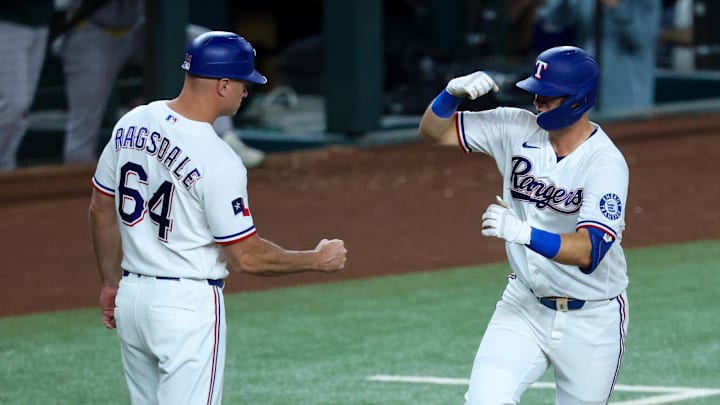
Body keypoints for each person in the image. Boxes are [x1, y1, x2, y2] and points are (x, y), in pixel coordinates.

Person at [88, 31, 347, 404]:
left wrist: (111, 283)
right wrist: (316, 260)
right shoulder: (218, 160)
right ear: (223, 85)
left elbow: (100, 210)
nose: (247, 92)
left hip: (132, 298)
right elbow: (246, 255)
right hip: (185, 306)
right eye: (244, 83)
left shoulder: (133, 121)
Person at [418, 46, 630, 404]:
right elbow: (434, 134)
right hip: (524, 306)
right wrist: (449, 95)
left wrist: (522, 233)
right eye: (537, 92)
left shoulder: (605, 164)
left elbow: (590, 250)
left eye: (548, 95)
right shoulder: (514, 127)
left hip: (593, 318)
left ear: (578, 101)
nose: (537, 100)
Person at [55, 0, 266, 168]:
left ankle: (223, 137)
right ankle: (75, 193)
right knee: (82, 136)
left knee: (203, 41)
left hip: (136, 28)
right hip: (91, 31)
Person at [0, 0, 55, 171]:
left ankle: (6, 166)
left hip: (39, 19)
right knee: (14, 104)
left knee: (22, 111)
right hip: (7, 19)